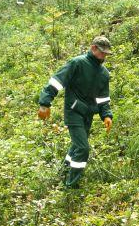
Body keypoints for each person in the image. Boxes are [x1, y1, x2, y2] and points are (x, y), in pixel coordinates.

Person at [38, 36, 114, 189]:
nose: (104, 56)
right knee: (83, 148)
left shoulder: (104, 73)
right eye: (102, 52)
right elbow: (57, 81)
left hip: (88, 114)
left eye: (106, 54)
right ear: (93, 48)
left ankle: (63, 172)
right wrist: (45, 103)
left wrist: (106, 115)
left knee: (77, 145)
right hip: (73, 112)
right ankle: (71, 186)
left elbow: (103, 98)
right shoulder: (77, 63)